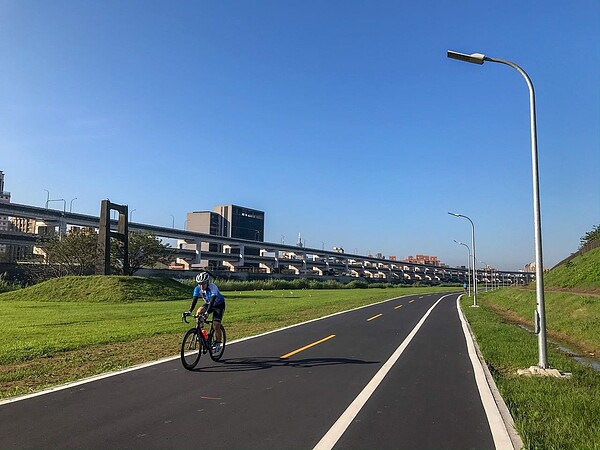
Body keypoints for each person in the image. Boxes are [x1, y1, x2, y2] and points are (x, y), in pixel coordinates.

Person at [185, 272, 226, 352]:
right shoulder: (197, 289)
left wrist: (207, 313)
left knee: (216, 325)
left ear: (207, 282)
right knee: (199, 312)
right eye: (199, 283)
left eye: (203, 283)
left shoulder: (213, 287)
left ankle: (218, 343)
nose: (201, 286)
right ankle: (200, 333)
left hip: (218, 305)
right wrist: (189, 311)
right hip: (208, 304)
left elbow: (212, 300)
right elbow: (194, 300)